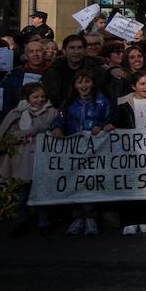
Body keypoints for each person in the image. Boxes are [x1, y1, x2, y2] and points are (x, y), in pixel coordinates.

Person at [51, 70, 114, 236]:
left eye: (87, 82)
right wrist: (57, 127)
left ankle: (91, 217)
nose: (84, 85)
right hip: (73, 149)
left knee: (90, 182)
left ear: (92, 83)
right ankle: (77, 217)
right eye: (80, 82)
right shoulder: (68, 102)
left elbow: (109, 119)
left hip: (94, 149)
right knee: (75, 182)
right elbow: (60, 118)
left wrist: (100, 126)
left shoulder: (101, 101)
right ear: (74, 85)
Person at [0, 82, 58, 236]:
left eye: (42, 97)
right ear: (27, 98)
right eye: (35, 97)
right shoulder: (16, 114)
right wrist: (31, 131)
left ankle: (43, 222)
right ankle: (21, 222)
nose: (40, 100)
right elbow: (6, 135)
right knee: (22, 194)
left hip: (42, 159)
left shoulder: (52, 112)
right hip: (22, 160)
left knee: (42, 192)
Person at [110, 70, 146, 234]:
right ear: (133, 86)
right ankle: (129, 220)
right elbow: (115, 121)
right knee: (129, 185)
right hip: (128, 152)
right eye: (142, 84)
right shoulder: (121, 103)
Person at [41, 35, 107, 106]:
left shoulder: (97, 71)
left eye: (80, 48)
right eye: (72, 48)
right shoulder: (53, 71)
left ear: (85, 50)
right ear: (64, 51)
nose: (76, 52)